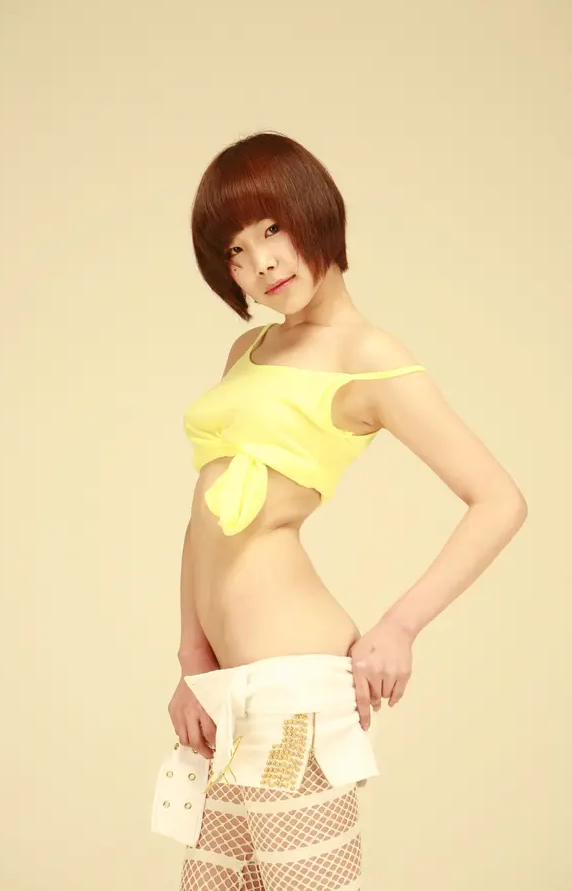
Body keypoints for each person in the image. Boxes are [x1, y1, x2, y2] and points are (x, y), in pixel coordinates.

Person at [159, 131, 528, 890]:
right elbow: (206, 514)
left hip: (294, 690)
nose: (261, 262)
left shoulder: (369, 356)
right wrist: (193, 660)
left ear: (315, 211)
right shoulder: (247, 352)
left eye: (272, 228)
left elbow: (499, 501)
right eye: (235, 251)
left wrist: (399, 627)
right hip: (228, 688)